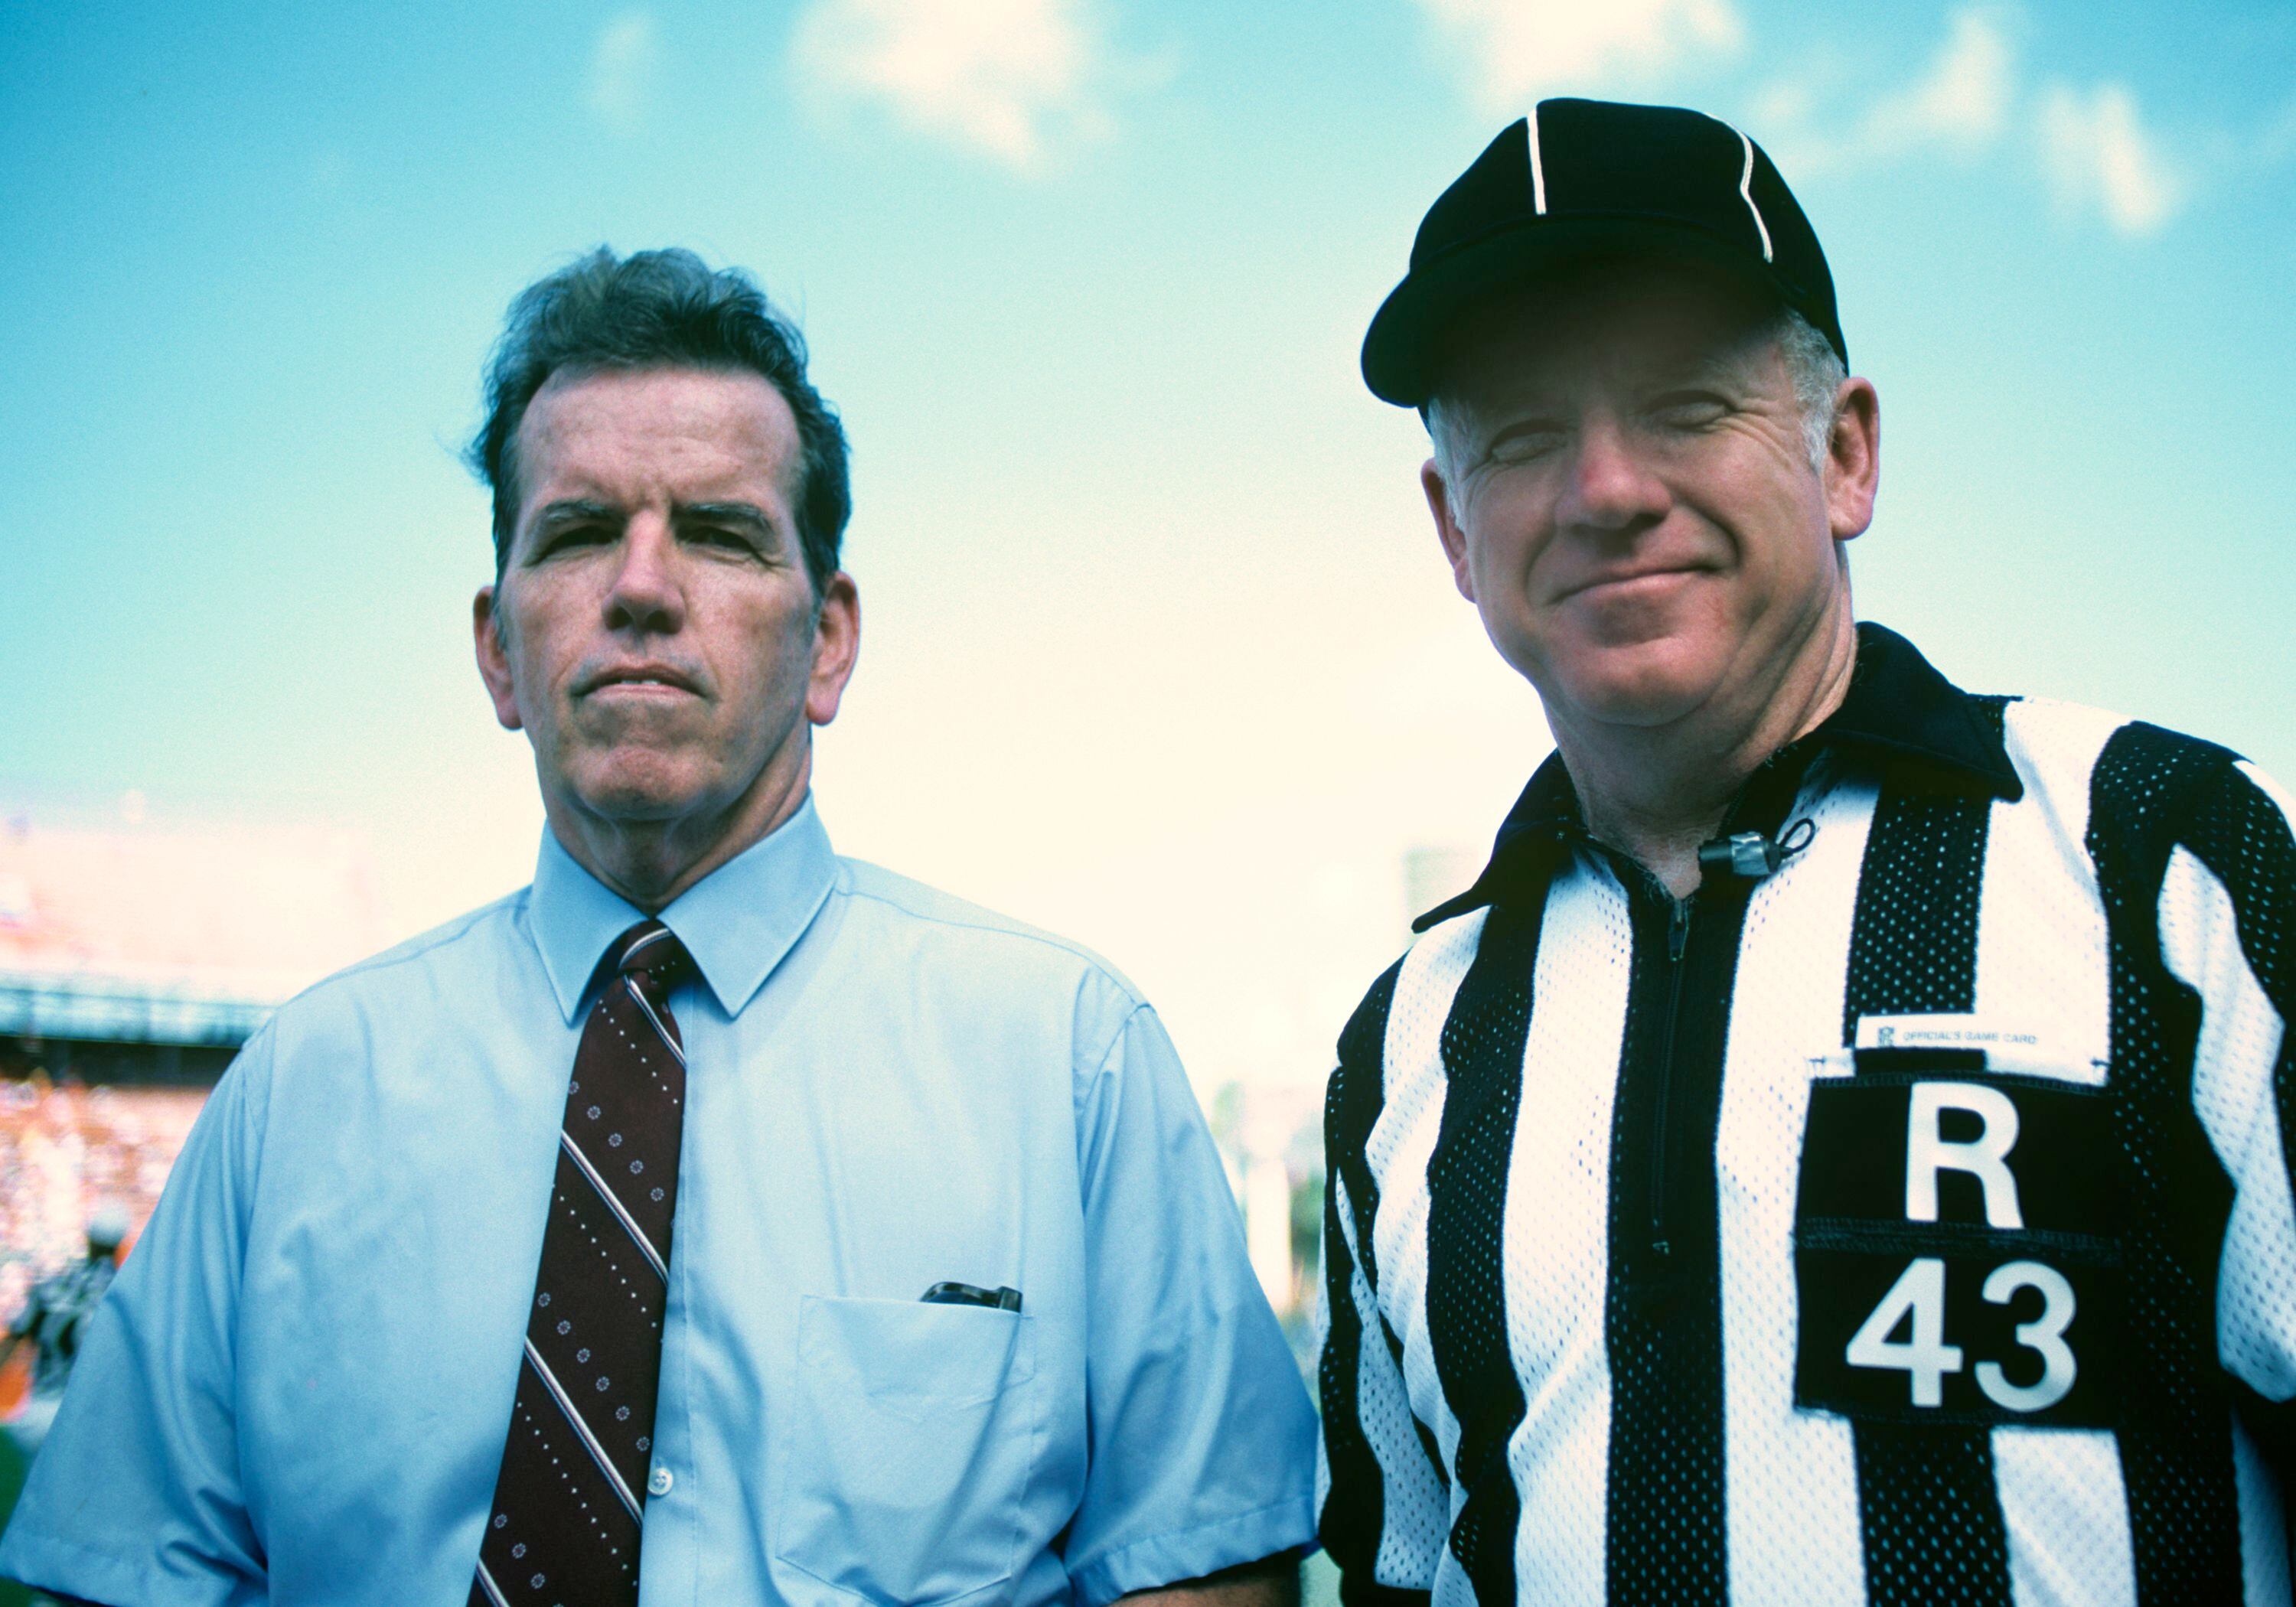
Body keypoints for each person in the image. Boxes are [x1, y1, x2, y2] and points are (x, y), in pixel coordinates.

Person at [0, 248, 1316, 1607]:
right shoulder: (297, 1096)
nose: (641, 585)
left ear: (830, 642)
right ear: (498, 650)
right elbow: (131, 1578)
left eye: (721, 533)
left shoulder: (1068, 1062)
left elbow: (1202, 1573)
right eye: (576, 533)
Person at [1315, 96, 2296, 1605]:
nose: (1606, 489)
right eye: (1522, 437)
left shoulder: (2172, 866)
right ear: (1454, 530)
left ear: (1844, 454)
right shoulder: (1404, 1044)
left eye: (1687, 407)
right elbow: (1400, 1566)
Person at [0, 1212, 126, 1461]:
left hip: (36, 1414)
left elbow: (13, 1340)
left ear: (88, 1238)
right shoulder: (122, 1294)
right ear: (119, 1244)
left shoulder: (52, 1283)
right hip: (89, 1419)